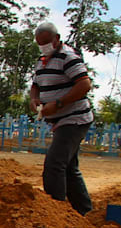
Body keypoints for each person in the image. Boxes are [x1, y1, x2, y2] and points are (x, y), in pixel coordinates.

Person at [28, 22, 95, 215]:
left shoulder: (68, 57)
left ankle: (54, 212)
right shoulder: (42, 60)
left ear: (57, 39)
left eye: (47, 42)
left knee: (54, 164)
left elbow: (84, 85)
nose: (44, 47)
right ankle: (83, 212)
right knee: (69, 168)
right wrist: (34, 99)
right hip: (59, 122)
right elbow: (35, 84)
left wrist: (57, 104)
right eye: (40, 43)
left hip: (74, 119)